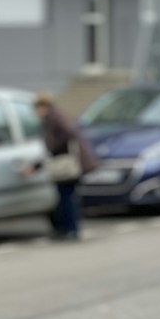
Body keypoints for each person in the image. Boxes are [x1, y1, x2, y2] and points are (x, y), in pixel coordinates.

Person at [33, 93, 98, 241]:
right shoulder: (54, 117)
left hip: (69, 164)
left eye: (37, 109)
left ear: (43, 107)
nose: (36, 112)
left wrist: (54, 147)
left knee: (66, 197)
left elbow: (69, 133)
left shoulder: (56, 118)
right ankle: (68, 229)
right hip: (68, 163)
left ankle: (71, 229)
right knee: (65, 196)